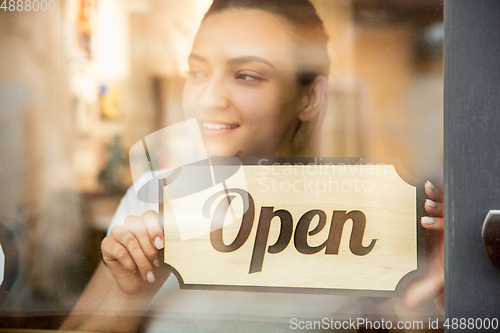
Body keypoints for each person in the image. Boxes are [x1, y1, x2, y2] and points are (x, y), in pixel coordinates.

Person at [61, 0, 444, 331]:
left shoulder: (365, 216)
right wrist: (130, 295)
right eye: (197, 72)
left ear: (310, 97)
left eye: (246, 75)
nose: (208, 98)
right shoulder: (155, 200)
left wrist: (425, 294)